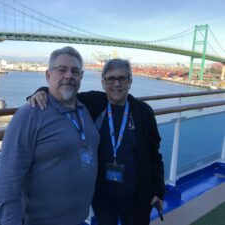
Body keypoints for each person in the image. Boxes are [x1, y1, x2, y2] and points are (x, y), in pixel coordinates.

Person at [28, 58, 165, 225]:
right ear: (103, 82)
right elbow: (65, 94)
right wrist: (41, 91)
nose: (116, 84)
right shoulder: (94, 102)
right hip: (103, 193)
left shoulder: (143, 112)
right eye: (110, 79)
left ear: (130, 82)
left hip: (136, 193)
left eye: (122, 78)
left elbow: (154, 153)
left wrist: (158, 189)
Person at [0, 46, 100, 225]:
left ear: (81, 77)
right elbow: (7, 184)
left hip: (80, 220)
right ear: (48, 75)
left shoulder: (85, 110)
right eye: (61, 70)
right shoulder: (29, 115)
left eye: (75, 71)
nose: (68, 75)